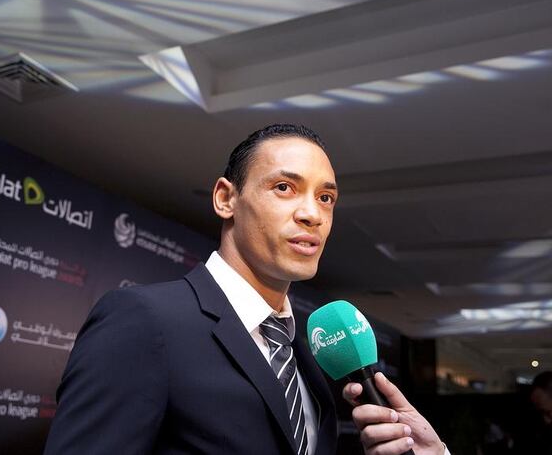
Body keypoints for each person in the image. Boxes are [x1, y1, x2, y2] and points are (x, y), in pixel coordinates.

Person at [44, 123, 444, 455]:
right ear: (225, 199)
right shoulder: (143, 320)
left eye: (326, 198)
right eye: (285, 188)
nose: (312, 214)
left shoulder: (306, 356)